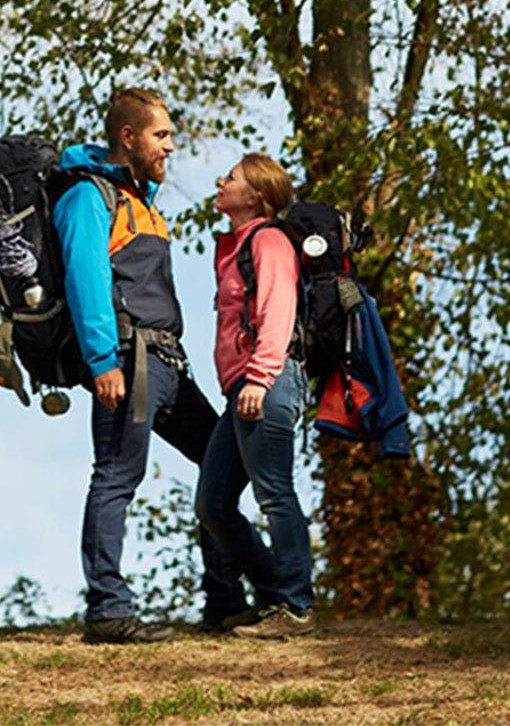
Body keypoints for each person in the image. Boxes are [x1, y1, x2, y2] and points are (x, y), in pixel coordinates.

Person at [54, 87, 250, 644]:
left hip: (166, 363)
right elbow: (86, 281)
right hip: (127, 360)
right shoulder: (90, 198)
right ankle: (109, 610)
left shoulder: (141, 202)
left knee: (221, 460)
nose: (170, 145)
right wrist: (101, 362)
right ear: (128, 137)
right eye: (161, 135)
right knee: (117, 476)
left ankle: (225, 602)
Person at [195, 152, 317, 639]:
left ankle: (294, 605)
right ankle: (274, 592)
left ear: (257, 196)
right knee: (213, 503)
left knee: (274, 492)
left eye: (233, 178)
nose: (221, 181)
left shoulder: (268, 240)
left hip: (267, 381)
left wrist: (260, 377)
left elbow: (278, 312)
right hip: (242, 389)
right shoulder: (236, 245)